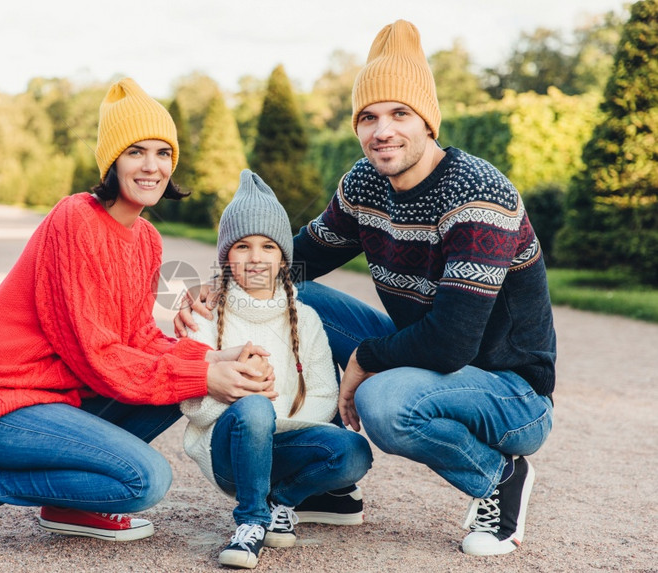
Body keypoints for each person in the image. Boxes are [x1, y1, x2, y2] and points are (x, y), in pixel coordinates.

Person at [176, 20, 556, 557]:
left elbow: (452, 343)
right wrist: (218, 286)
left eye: (400, 114)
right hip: (431, 358)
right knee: (292, 292)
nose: (383, 131)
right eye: (369, 117)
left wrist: (364, 358)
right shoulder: (365, 183)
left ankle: (501, 476)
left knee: (382, 400)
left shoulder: (477, 193)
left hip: (511, 389)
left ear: (428, 121)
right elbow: (301, 257)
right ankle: (325, 478)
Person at [0, 77, 277, 564]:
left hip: (57, 400)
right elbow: (96, 354)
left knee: (181, 386)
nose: (152, 166)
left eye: (163, 153)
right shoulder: (76, 219)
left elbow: (135, 338)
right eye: (136, 152)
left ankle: (70, 506)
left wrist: (217, 357)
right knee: (145, 479)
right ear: (112, 161)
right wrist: (202, 373)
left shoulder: (147, 239)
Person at [180, 170, 372, 569]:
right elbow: (191, 405)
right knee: (253, 409)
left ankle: (281, 500)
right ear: (225, 256)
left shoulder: (306, 318)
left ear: (283, 256)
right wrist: (246, 405)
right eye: (242, 246)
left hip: (285, 445)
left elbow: (322, 395)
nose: (255, 258)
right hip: (230, 451)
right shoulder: (204, 314)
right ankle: (250, 522)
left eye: (268, 246)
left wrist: (275, 424)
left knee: (354, 452)